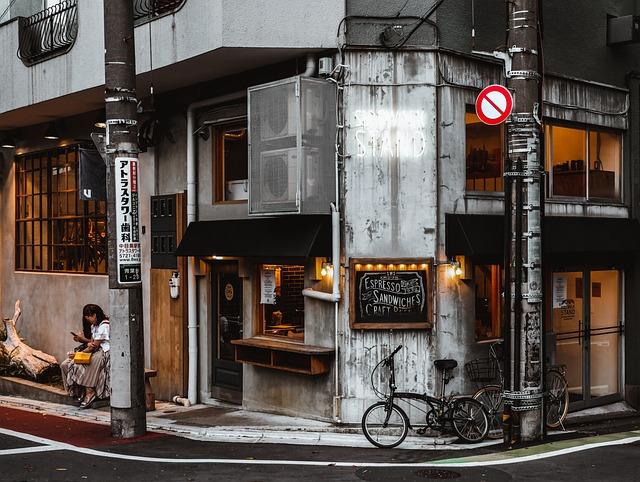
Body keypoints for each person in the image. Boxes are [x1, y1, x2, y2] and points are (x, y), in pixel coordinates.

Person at [60, 304, 111, 408]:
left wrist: (78, 354)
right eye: (86, 318)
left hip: (104, 351)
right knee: (67, 364)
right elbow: (92, 343)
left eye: (89, 317)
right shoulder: (94, 326)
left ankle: (90, 391)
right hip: (94, 349)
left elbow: (95, 346)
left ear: (95, 315)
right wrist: (84, 342)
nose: (88, 320)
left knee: (85, 363)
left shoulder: (105, 325)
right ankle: (79, 391)